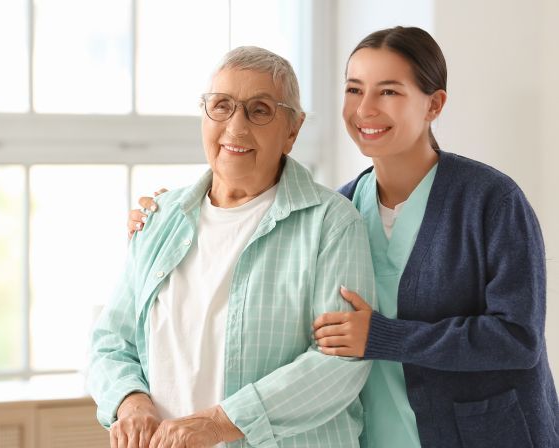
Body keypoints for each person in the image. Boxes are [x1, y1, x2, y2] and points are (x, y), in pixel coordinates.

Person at [128, 27, 559, 448]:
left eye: (388, 92)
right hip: (378, 434)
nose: (364, 109)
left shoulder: (491, 201)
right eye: (354, 90)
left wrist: (385, 337)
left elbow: (518, 339)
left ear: (433, 104)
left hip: (486, 434)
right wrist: (172, 214)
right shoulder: (341, 209)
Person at [89, 46, 377, 448]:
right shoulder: (160, 217)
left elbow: (340, 363)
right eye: (221, 106)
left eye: (259, 110)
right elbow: (112, 340)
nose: (236, 127)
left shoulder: (331, 223)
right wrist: (130, 400)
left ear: (292, 130)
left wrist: (220, 423)